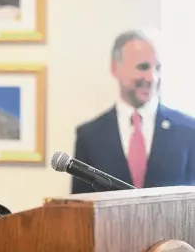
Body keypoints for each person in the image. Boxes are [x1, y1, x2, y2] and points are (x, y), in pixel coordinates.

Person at [71, 28, 195, 194]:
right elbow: (79, 210)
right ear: (115, 68)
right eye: (143, 67)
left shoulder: (188, 132)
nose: (152, 77)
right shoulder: (90, 136)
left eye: (157, 68)